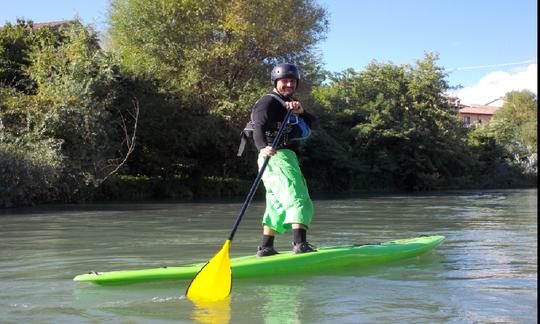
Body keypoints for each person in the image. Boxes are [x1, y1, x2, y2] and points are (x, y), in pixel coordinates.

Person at [251, 63, 316, 257]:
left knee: (275, 200)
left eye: (292, 81)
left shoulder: (289, 102)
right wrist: (263, 146)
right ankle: (300, 244)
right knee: (298, 195)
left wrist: (301, 111)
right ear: (276, 82)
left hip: (276, 158)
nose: (289, 84)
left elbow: (313, 122)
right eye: (284, 81)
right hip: (277, 156)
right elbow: (258, 126)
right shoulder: (268, 102)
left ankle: (266, 247)